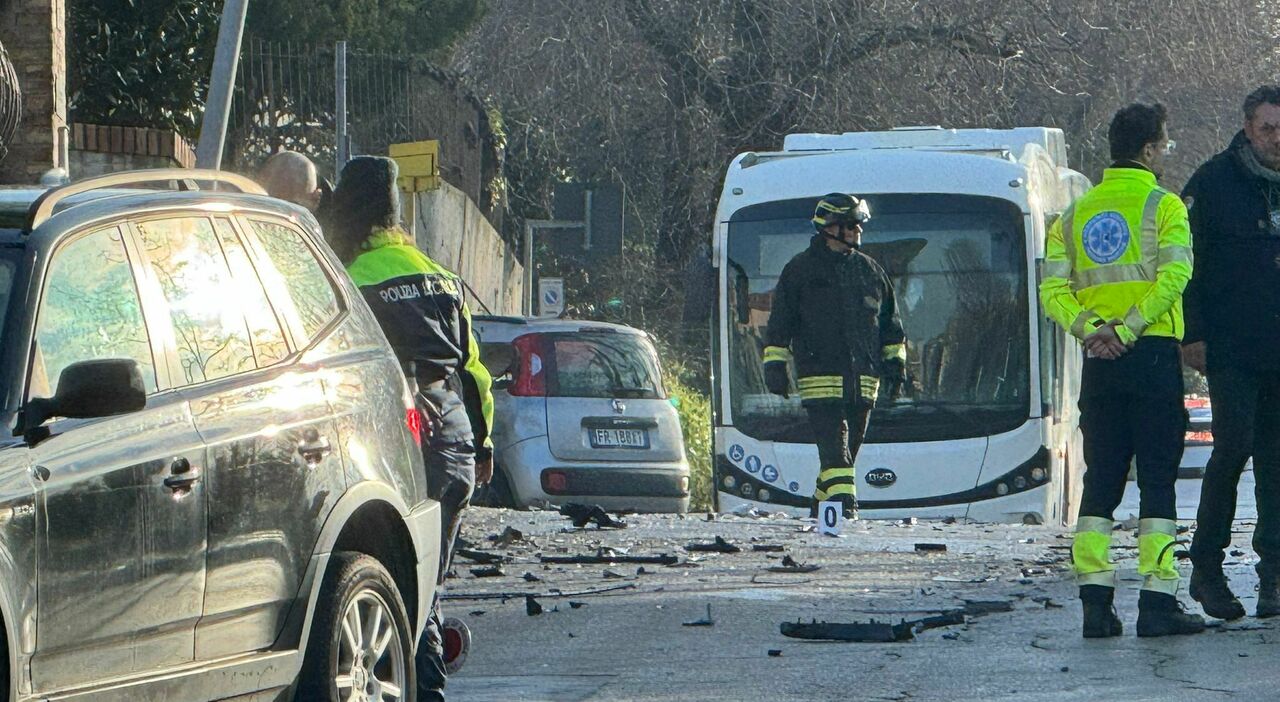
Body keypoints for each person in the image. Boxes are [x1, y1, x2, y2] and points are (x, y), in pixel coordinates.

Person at [327, 156, 494, 700]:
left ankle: (423, 691)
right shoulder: (439, 275)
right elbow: (473, 372)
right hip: (455, 440)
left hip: (401, 442)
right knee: (426, 589)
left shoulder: (348, 279)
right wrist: (483, 445)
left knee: (405, 595)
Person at [1040, 102, 1202, 637]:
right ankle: (1157, 603)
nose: (1167, 155)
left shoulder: (1074, 215)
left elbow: (1052, 291)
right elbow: (1175, 277)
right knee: (1157, 478)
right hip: (1151, 356)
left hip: (1099, 365)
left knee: (1102, 479)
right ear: (1151, 150)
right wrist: (1129, 329)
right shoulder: (1165, 206)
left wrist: (1092, 329)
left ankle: (1095, 603)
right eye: (1166, 146)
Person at [1183, 85, 1280, 620]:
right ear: (1247, 128)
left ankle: (1274, 577)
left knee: (1278, 462)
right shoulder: (1214, 182)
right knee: (1232, 451)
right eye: (1267, 128)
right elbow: (1184, 264)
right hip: (1231, 346)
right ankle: (1207, 567)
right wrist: (1191, 334)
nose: (1276, 139)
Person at [762, 193, 906, 519]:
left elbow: (891, 328)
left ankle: (820, 510)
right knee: (837, 453)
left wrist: (895, 366)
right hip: (820, 379)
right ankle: (846, 512)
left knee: (845, 456)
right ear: (829, 228)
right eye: (850, 225)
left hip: (864, 383)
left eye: (858, 225)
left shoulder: (872, 273)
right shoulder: (799, 271)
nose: (857, 231)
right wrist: (775, 366)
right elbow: (780, 324)